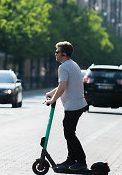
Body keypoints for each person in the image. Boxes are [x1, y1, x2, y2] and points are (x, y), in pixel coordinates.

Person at [45, 41, 88, 171]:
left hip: (74, 105)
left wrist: (52, 100)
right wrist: (51, 94)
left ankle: (81, 161)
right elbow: (62, 85)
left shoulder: (63, 67)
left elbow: (63, 87)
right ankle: (71, 160)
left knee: (69, 133)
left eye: (57, 52)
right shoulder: (72, 64)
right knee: (69, 132)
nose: (55, 54)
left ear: (63, 54)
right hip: (77, 104)